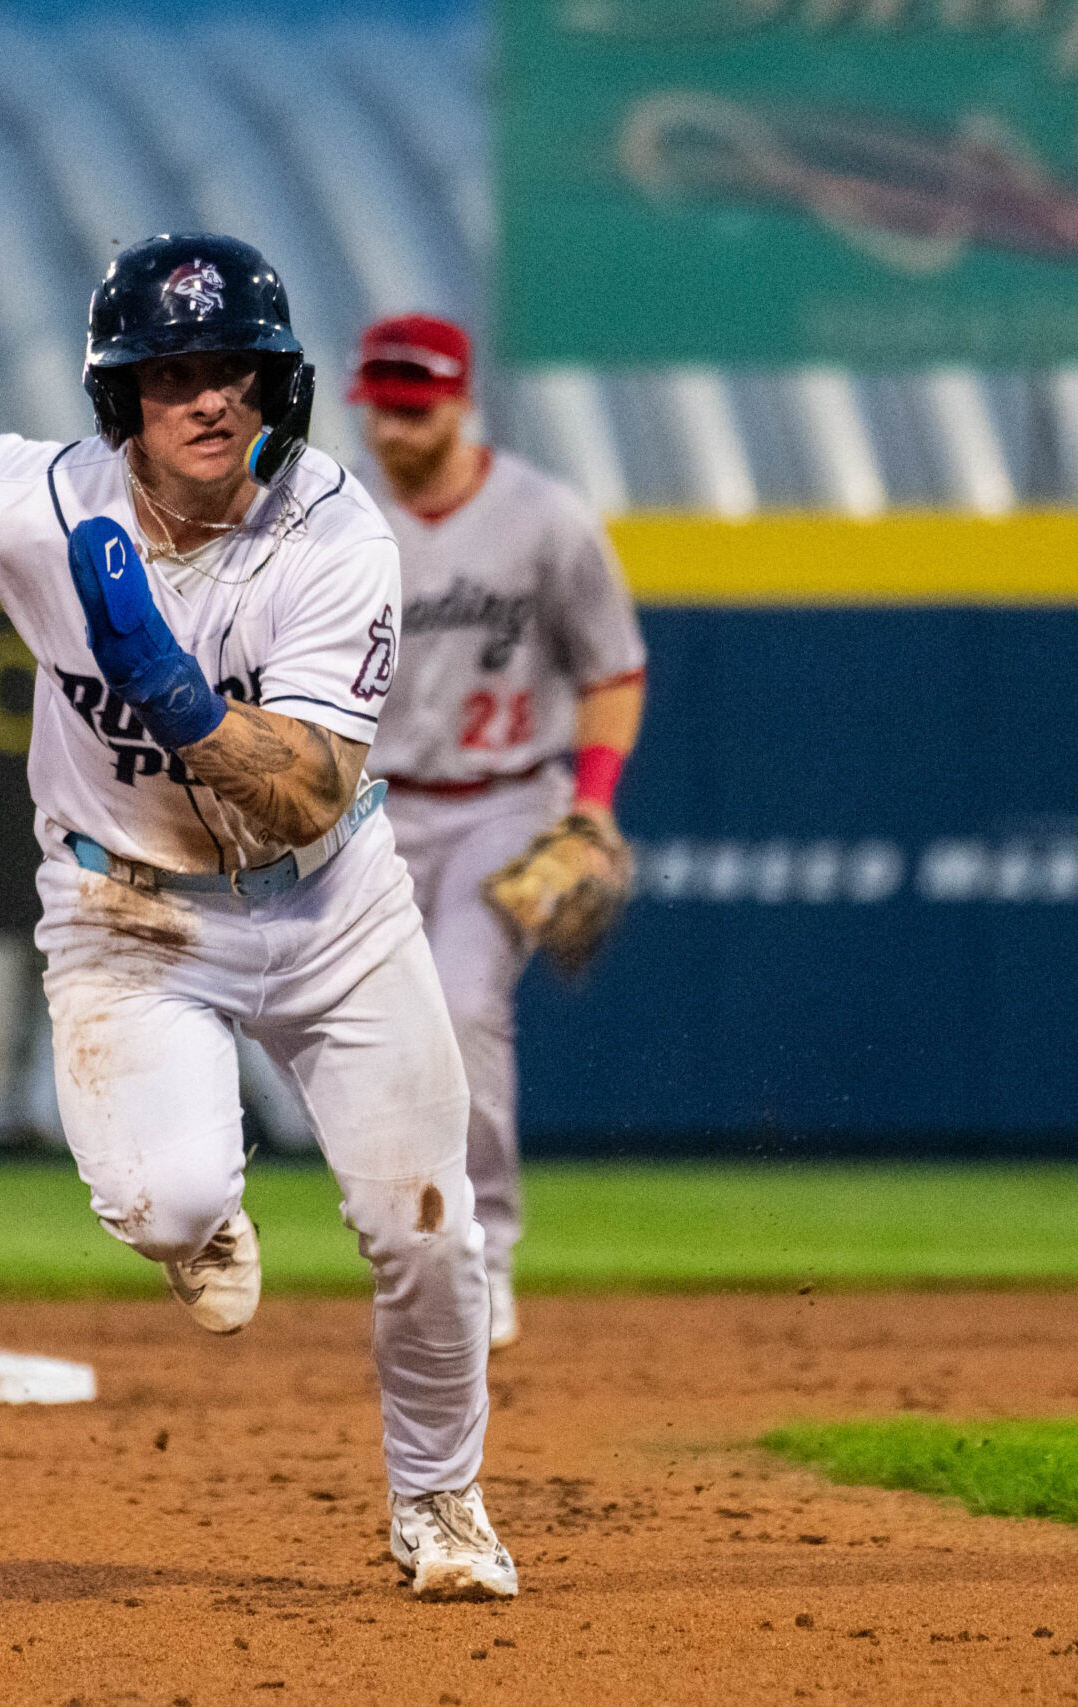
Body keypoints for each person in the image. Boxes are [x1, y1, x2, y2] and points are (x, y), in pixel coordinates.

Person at [0, 234, 515, 1601]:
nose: (208, 398)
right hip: (127, 910)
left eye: (234, 367)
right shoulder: (37, 503)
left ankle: (443, 1503)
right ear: (121, 396)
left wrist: (170, 690)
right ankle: (189, 1219)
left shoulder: (338, 535)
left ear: (275, 385)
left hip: (332, 901)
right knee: (169, 1200)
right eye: (170, 372)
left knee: (426, 1226)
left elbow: (304, 796)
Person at [352, 313, 648, 1353]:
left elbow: (611, 669)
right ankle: (415, 1252)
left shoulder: (544, 518)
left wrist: (594, 799)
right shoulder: (339, 527)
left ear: (459, 398)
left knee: (466, 1003)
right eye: (379, 409)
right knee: (375, 1044)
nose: (393, 428)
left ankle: (486, 1255)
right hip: (375, 811)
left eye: (413, 407)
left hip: (508, 802)